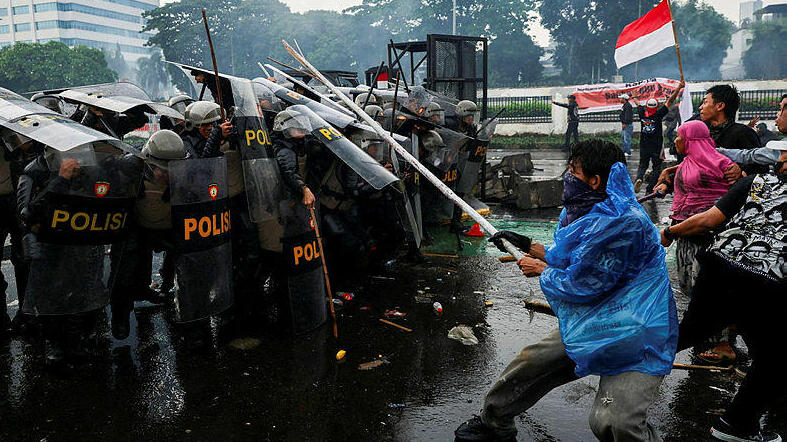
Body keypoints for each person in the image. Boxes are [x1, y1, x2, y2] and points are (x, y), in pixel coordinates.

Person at [455, 139, 677, 442]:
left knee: (615, 423)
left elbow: (584, 284)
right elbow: (570, 255)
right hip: (593, 318)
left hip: (635, 330)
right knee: (531, 364)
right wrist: (527, 245)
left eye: (573, 171)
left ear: (595, 181)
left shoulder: (624, 223)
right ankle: (494, 424)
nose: (567, 177)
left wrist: (542, 270)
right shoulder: (584, 211)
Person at [659, 138, 786, 442]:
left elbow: (709, 220)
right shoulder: (754, 178)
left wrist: (669, 232)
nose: (780, 156)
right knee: (776, 357)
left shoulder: (756, 181)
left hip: (720, 269)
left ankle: (626, 363)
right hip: (766, 283)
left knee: (690, 331)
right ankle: (738, 425)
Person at [108, 130, 188, 340]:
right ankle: (120, 318)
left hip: (168, 226)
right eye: (162, 170)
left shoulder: (186, 169)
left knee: (191, 261)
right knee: (123, 270)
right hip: (136, 225)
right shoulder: (129, 168)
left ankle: (192, 315)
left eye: (172, 169)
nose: (166, 175)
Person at [654, 120, 734, 298]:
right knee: (688, 283)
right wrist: (666, 185)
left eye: (679, 137)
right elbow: (687, 185)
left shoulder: (725, 165)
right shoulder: (687, 162)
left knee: (707, 288)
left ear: (691, 140)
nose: (675, 140)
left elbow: (736, 194)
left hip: (709, 235)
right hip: (685, 233)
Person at [633, 80, 684, 194]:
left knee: (643, 165)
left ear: (647, 106)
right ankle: (650, 189)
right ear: (656, 106)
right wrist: (679, 88)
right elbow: (670, 101)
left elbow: (637, 103)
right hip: (656, 147)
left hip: (644, 145)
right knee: (656, 167)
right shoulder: (658, 115)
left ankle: (639, 179)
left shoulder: (642, 113)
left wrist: (634, 96)